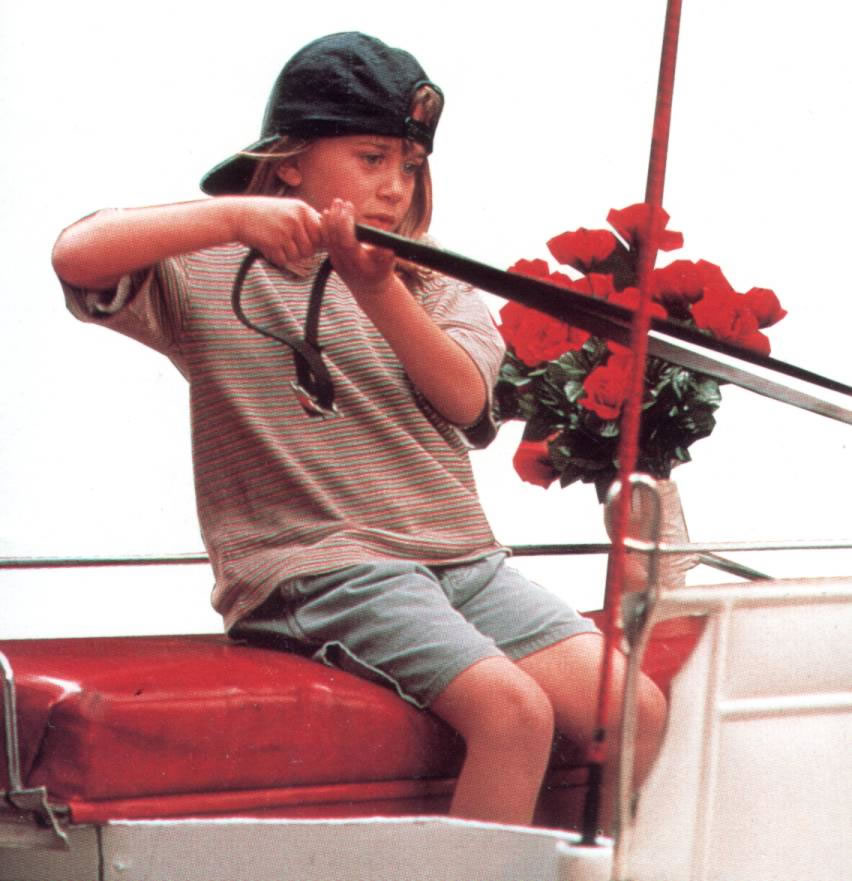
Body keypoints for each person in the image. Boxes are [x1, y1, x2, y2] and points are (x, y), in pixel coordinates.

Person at [52, 32, 666, 827]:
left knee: (638, 707)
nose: (394, 188)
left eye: (409, 166)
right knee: (512, 714)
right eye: (371, 158)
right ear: (291, 160)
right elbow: (76, 254)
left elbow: (464, 398)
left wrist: (378, 290)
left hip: (462, 560)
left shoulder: (431, 280)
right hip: (320, 569)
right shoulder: (206, 268)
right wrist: (235, 214)